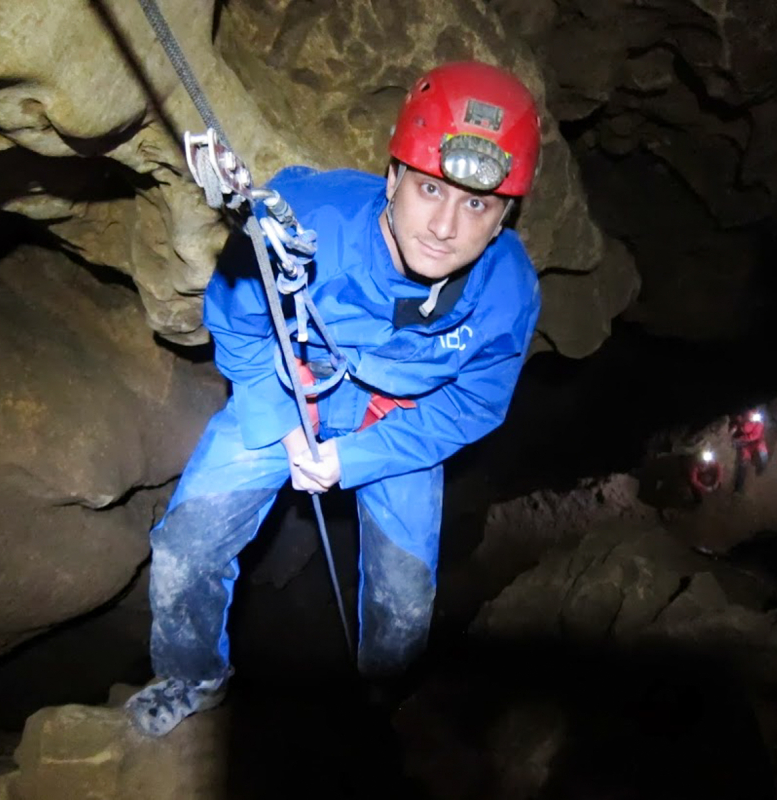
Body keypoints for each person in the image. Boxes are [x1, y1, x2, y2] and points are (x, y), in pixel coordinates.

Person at [124, 60, 542, 737]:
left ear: (503, 219)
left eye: (476, 205)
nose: (444, 226)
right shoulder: (308, 221)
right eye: (430, 189)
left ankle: (387, 696)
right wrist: (284, 424)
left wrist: (356, 459)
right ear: (394, 177)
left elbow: (471, 405)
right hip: (289, 390)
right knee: (186, 546)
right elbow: (236, 314)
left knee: (406, 602)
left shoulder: (506, 294)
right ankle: (192, 675)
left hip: (397, 427)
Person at [731, 409, 769, 491]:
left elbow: (756, 435)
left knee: (764, 455)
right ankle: (738, 488)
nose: (752, 416)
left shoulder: (758, 421)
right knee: (743, 463)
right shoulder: (742, 419)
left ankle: (761, 468)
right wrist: (735, 429)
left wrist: (742, 438)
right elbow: (737, 427)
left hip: (757, 442)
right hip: (746, 445)